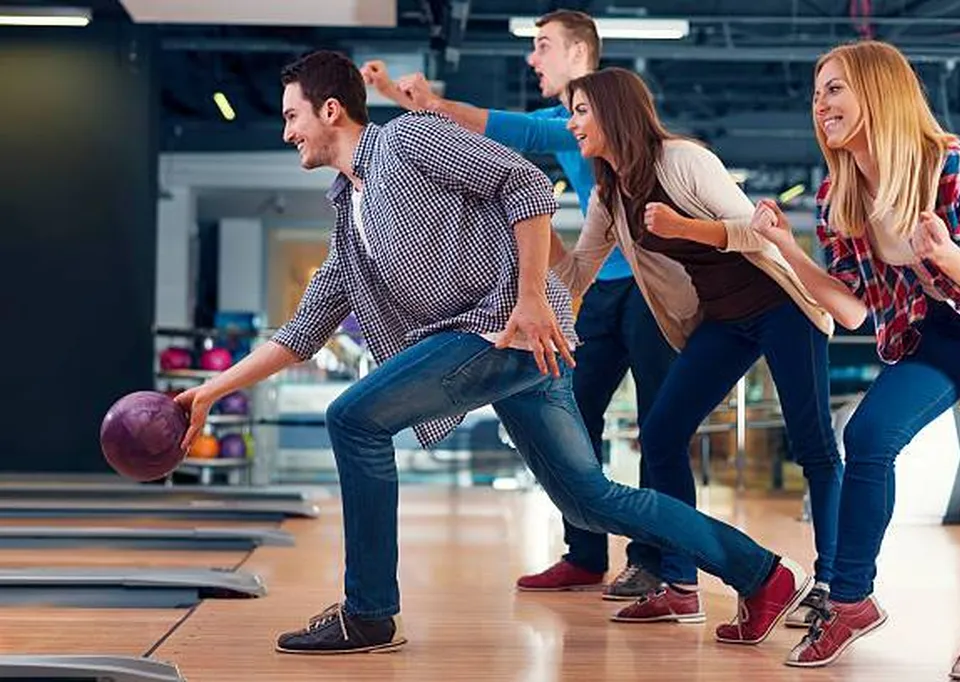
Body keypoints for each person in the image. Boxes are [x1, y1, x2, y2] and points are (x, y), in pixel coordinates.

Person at [174, 49, 811, 655]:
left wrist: (532, 298)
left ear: (331, 110)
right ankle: (761, 574)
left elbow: (527, 185)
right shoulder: (347, 207)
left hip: (499, 329)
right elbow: (304, 328)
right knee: (588, 499)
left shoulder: (407, 138)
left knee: (354, 419)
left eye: (292, 116)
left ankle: (368, 612)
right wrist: (210, 391)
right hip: (510, 348)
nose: (288, 132)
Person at [362, 9, 677, 602]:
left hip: (650, 289)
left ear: (581, 54)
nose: (533, 59)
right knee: (577, 415)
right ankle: (585, 554)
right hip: (598, 289)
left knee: (659, 426)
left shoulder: (598, 113)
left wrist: (428, 100)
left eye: (543, 46)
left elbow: (511, 132)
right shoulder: (566, 119)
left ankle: (655, 562)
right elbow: (490, 135)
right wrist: (394, 96)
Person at [751, 40, 960, 677]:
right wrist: (786, 252)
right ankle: (849, 599)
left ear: (879, 92)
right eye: (817, 92)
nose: (821, 104)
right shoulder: (838, 197)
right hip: (945, 327)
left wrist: (943, 254)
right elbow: (850, 310)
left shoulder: (956, 168)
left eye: (836, 88)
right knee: (869, 435)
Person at [549, 66, 843, 628]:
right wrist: (540, 245)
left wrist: (684, 227)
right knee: (660, 434)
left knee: (814, 447)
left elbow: (757, 230)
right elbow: (581, 270)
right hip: (724, 321)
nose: (573, 123)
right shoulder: (611, 194)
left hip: (781, 307)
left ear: (613, 112)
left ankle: (833, 583)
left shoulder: (682, 160)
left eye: (582, 110)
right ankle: (681, 582)